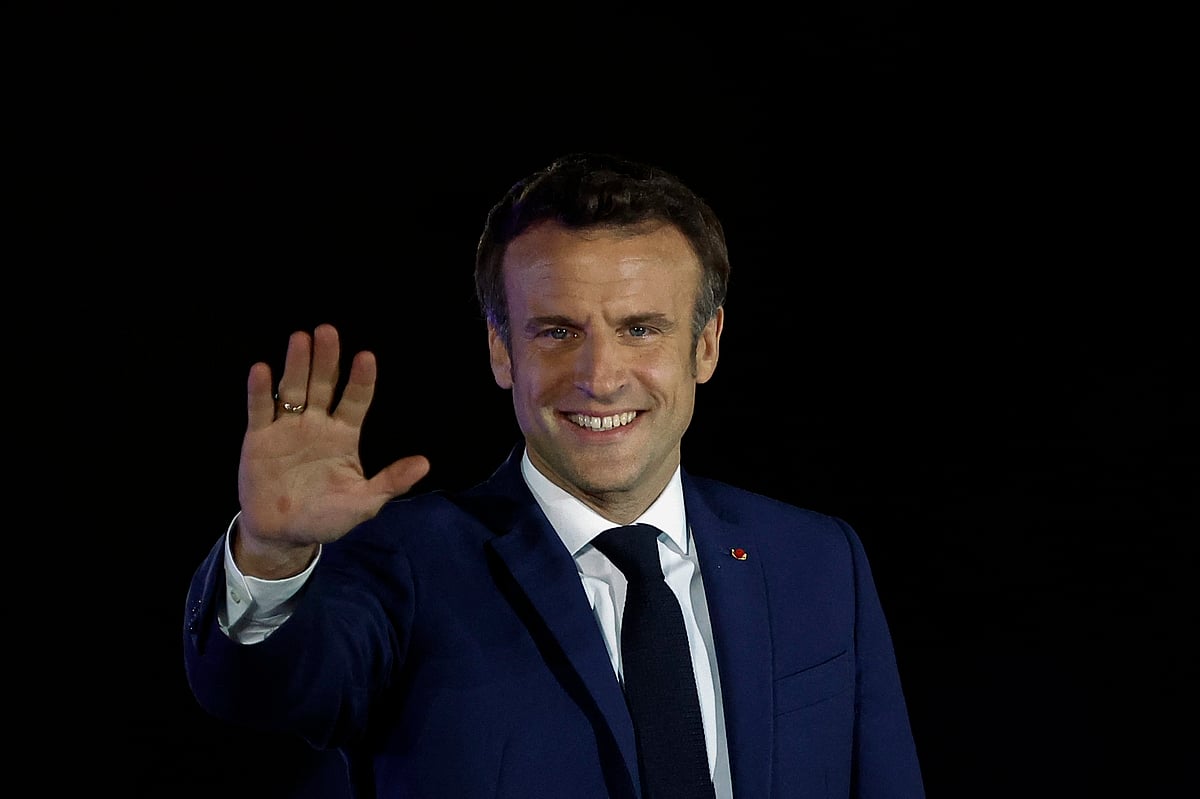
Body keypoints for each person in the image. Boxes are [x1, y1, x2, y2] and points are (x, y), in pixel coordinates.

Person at [183, 152, 925, 798]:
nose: (600, 377)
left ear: (706, 344)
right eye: (558, 332)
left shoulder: (818, 560)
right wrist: (272, 555)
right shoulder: (401, 562)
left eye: (640, 328)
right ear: (502, 351)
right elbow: (267, 691)